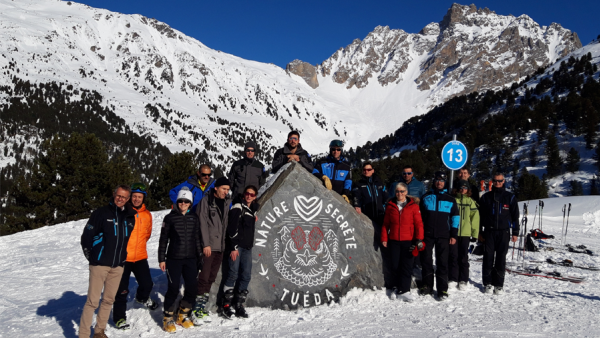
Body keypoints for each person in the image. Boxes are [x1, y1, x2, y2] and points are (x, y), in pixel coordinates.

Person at [79, 185, 136, 338]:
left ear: (128, 199)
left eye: (124, 197)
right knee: (92, 302)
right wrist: (91, 256)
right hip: (99, 265)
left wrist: (122, 259)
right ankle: (83, 335)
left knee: (108, 300)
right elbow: (87, 236)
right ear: (113, 194)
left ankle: (99, 331)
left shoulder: (130, 216)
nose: (120, 199)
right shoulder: (101, 213)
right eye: (118, 195)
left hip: (117, 266)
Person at [112, 183, 158, 330]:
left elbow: (147, 234)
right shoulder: (123, 212)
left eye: (140, 197)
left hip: (140, 256)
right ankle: (119, 318)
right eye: (134, 196)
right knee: (122, 290)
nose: (137, 199)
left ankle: (142, 297)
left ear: (143, 198)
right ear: (130, 197)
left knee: (147, 284)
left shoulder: (147, 215)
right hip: (123, 258)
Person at [158, 187, 203, 333]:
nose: (183, 203)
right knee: (173, 288)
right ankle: (167, 318)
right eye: (181, 201)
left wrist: (200, 257)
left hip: (191, 258)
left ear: (190, 203)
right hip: (174, 259)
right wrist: (161, 258)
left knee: (192, 288)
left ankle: (183, 315)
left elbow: (197, 239)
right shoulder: (170, 218)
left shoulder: (194, 218)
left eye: (186, 201)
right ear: (177, 202)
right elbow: (163, 239)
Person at [192, 177, 233, 324]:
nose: (226, 192)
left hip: (220, 246)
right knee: (203, 277)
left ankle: (201, 307)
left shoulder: (228, 202)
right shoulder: (206, 201)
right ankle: (196, 309)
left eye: (228, 190)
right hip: (209, 246)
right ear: (216, 188)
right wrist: (205, 244)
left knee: (211, 278)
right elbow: (202, 223)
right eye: (223, 189)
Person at [418, 171, 460, 300]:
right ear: (434, 181)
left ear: (445, 182)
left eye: (442, 180)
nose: (439, 182)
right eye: (437, 180)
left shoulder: (450, 199)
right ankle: (427, 286)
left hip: (444, 235)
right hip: (427, 235)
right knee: (426, 261)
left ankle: (442, 290)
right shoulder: (426, 197)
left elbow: (455, 218)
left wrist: (453, 234)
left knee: (442, 262)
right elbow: (420, 218)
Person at [381, 183, 424, 302]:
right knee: (395, 265)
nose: (400, 194)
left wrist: (419, 239)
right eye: (397, 191)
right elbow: (385, 224)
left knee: (406, 266)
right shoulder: (390, 205)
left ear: (406, 192)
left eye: (402, 191)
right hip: (394, 240)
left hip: (408, 241)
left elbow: (419, 224)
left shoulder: (413, 206)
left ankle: (404, 290)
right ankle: (395, 287)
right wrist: (384, 238)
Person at [221, 185, 259, 318]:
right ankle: (226, 304)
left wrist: (254, 215)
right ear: (244, 194)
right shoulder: (238, 206)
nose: (249, 196)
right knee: (232, 274)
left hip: (247, 248)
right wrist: (233, 247)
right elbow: (232, 228)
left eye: (252, 194)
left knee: (246, 275)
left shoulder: (252, 209)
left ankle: (238, 304)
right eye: (247, 193)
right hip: (237, 248)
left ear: (255, 197)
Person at [478, 172, 519, 295]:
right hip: (489, 232)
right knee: (488, 258)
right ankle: (488, 283)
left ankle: (499, 284)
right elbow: (480, 216)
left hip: (504, 232)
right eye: (495, 181)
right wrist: (480, 232)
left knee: (501, 259)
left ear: (504, 181)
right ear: (492, 181)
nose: (497, 183)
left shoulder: (510, 197)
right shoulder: (486, 197)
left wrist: (515, 232)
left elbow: (515, 216)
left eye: (500, 181)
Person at [448, 180, 480, 291]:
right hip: (454, 232)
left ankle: (463, 279)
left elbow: (475, 218)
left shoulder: (470, 202)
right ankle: (453, 278)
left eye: (465, 188)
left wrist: (474, 233)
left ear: (468, 190)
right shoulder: (453, 200)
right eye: (460, 188)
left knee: (463, 257)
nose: (462, 190)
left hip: (465, 233)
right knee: (453, 256)